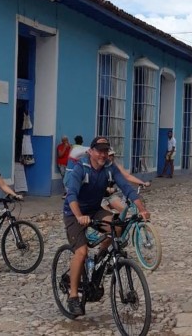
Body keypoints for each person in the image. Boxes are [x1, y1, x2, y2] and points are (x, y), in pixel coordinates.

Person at [63, 136, 150, 317]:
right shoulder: (81, 168)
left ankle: (100, 259)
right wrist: (79, 216)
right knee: (81, 252)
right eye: (99, 151)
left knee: (117, 227)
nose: (103, 154)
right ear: (91, 151)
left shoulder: (109, 168)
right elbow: (71, 195)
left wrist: (141, 209)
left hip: (95, 210)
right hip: (74, 213)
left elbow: (126, 187)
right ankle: (73, 297)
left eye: (105, 151)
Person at [101, 148, 151, 214]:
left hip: (110, 196)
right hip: (99, 197)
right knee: (107, 213)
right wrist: (106, 189)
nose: (111, 157)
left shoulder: (116, 167)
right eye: (109, 155)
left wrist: (142, 183)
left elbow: (127, 176)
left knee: (124, 211)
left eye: (112, 155)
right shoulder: (99, 168)